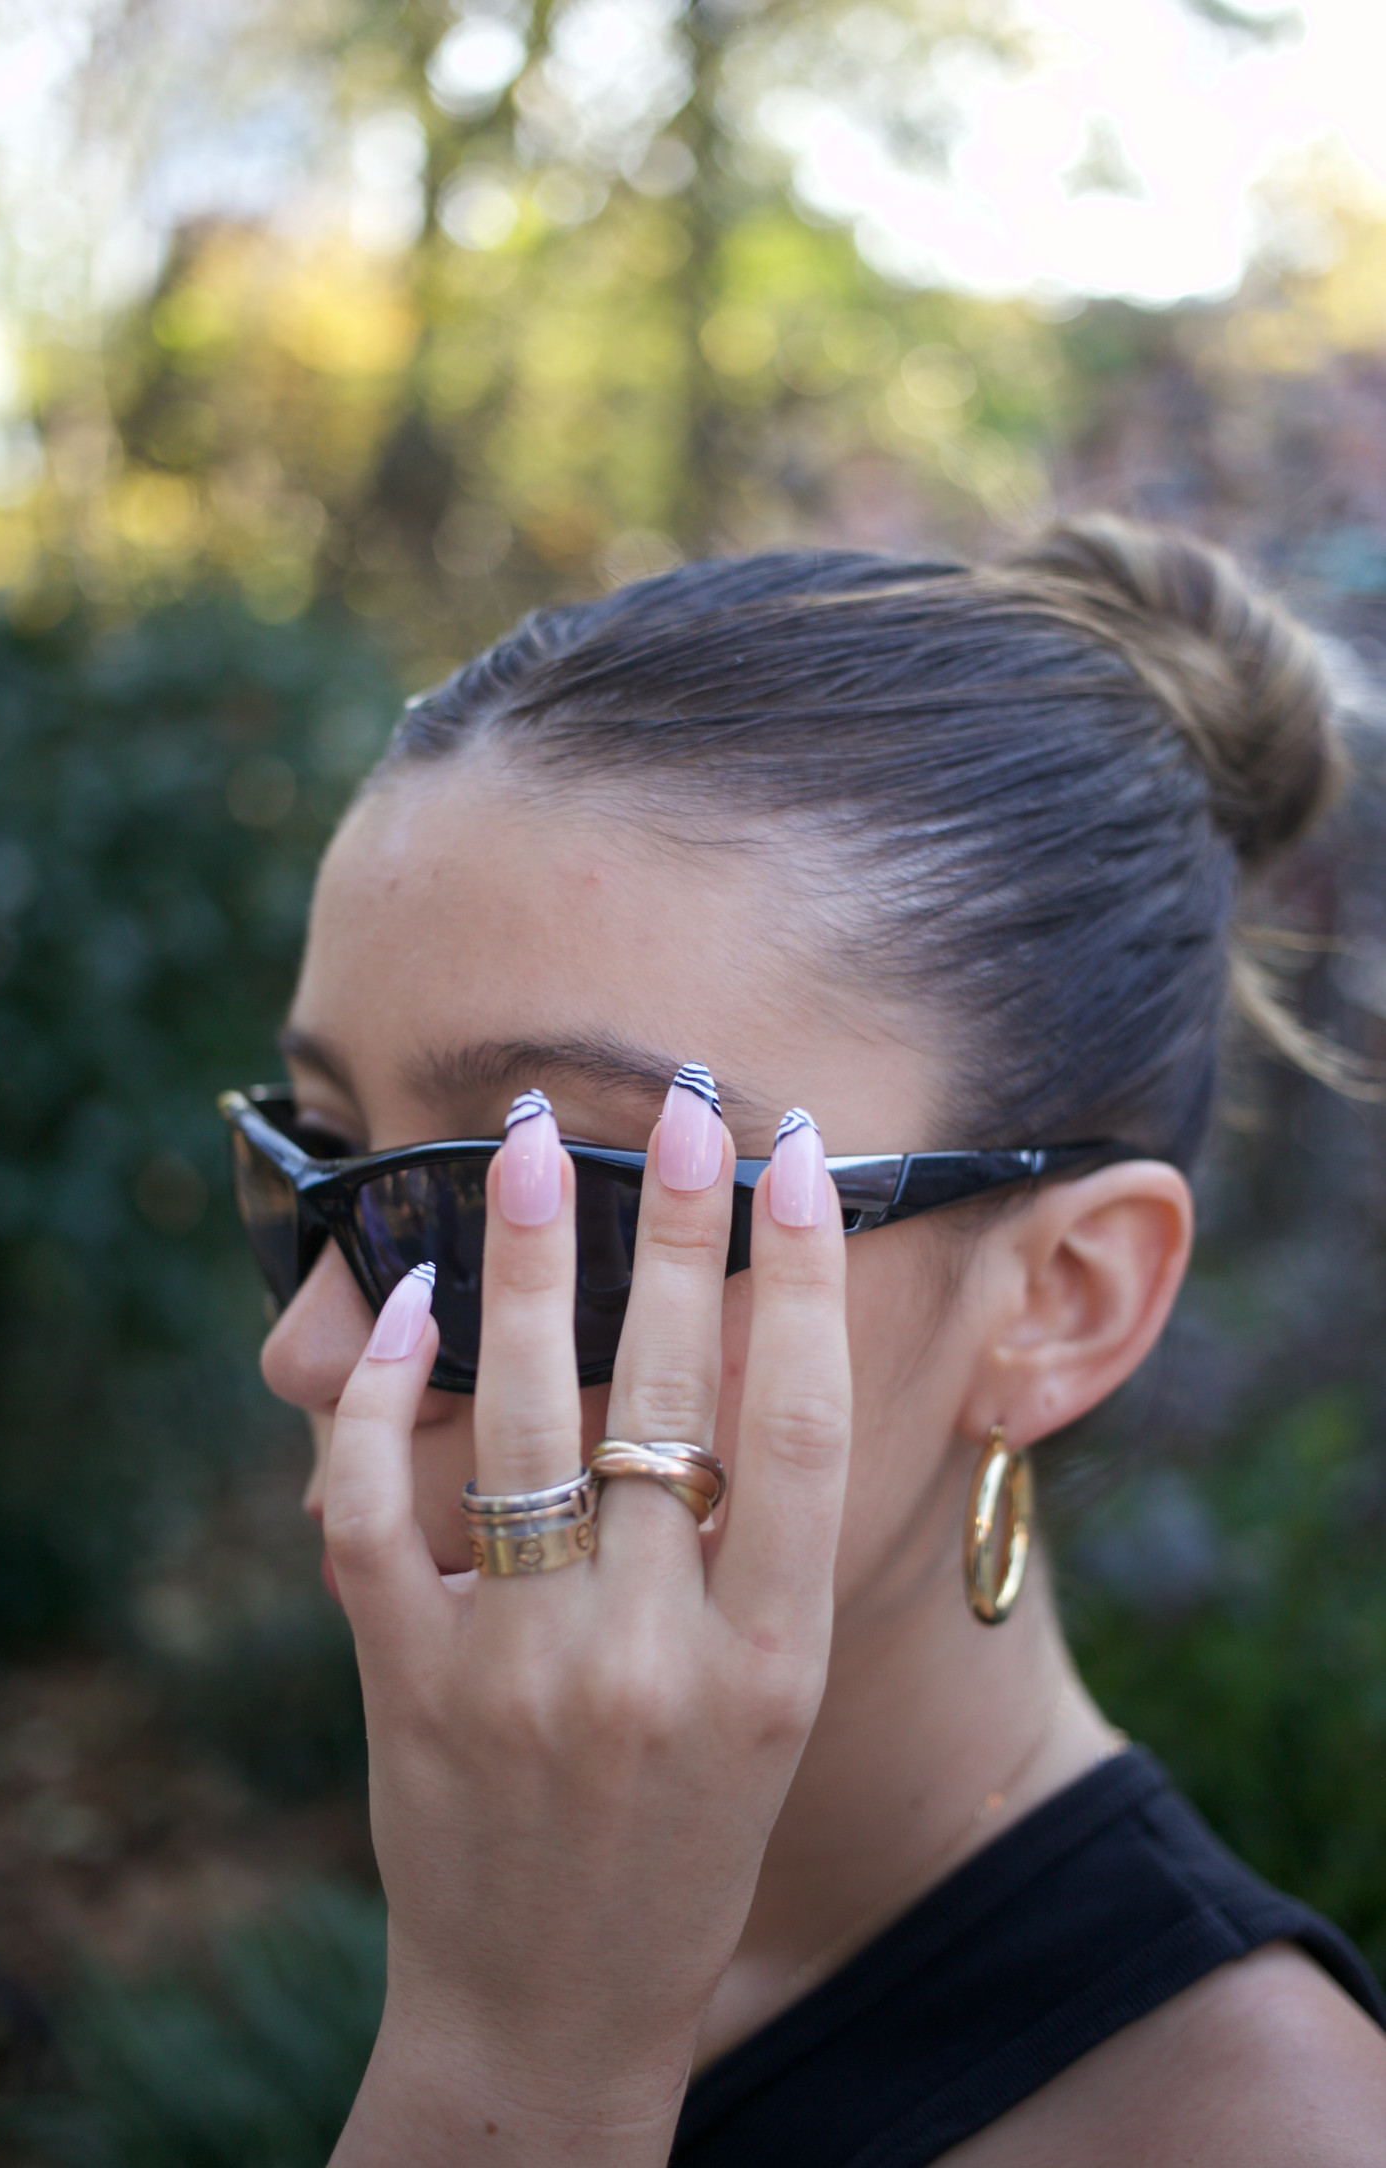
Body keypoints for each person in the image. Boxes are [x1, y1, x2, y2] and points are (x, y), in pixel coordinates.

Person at [223, 517, 1386, 2165]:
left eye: (560, 1206)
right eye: (316, 1153)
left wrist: (524, 2073)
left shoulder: (1267, 2136)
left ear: (1065, 1301)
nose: (324, 1347)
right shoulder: (504, 1868)